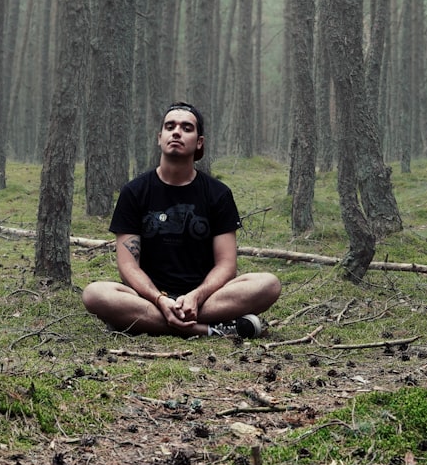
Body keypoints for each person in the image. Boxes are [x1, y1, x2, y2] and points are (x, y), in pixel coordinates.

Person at [82, 102, 281, 337]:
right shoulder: (134, 192)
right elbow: (127, 266)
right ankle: (210, 329)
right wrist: (159, 299)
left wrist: (196, 296)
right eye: (170, 126)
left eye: (187, 128)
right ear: (160, 137)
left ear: (199, 142)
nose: (177, 132)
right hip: (149, 298)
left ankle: (141, 323)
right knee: (94, 293)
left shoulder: (218, 193)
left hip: (206, 298)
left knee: (269, 284)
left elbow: (226, 265)